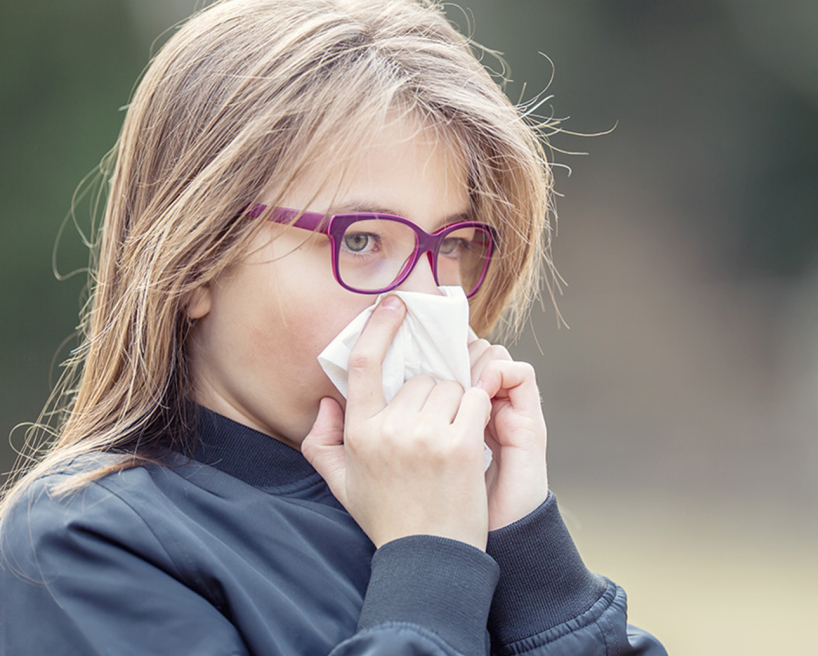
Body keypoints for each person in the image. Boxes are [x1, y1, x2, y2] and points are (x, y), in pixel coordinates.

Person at [0, 1, 666, 654]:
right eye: (362, 240)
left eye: (450, 245)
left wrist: (533, 565)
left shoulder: (462, 521)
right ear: (198, 259)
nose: (427, 296)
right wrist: (429, 565)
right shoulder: (81, 545)